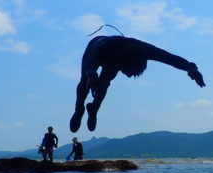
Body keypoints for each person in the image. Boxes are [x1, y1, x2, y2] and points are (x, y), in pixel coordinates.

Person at [70, 35, 205, 132]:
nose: (128, 76)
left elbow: (169, 58)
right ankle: (79, 109)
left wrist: (191, 68)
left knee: (104, 83)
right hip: (96, 52)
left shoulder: (146, 50)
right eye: (126, 72)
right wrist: (91, 75)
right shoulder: (101, 46)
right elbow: (90, 63)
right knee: (85, 81)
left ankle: (94, 109)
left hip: (115, 59)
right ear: (122, 63)